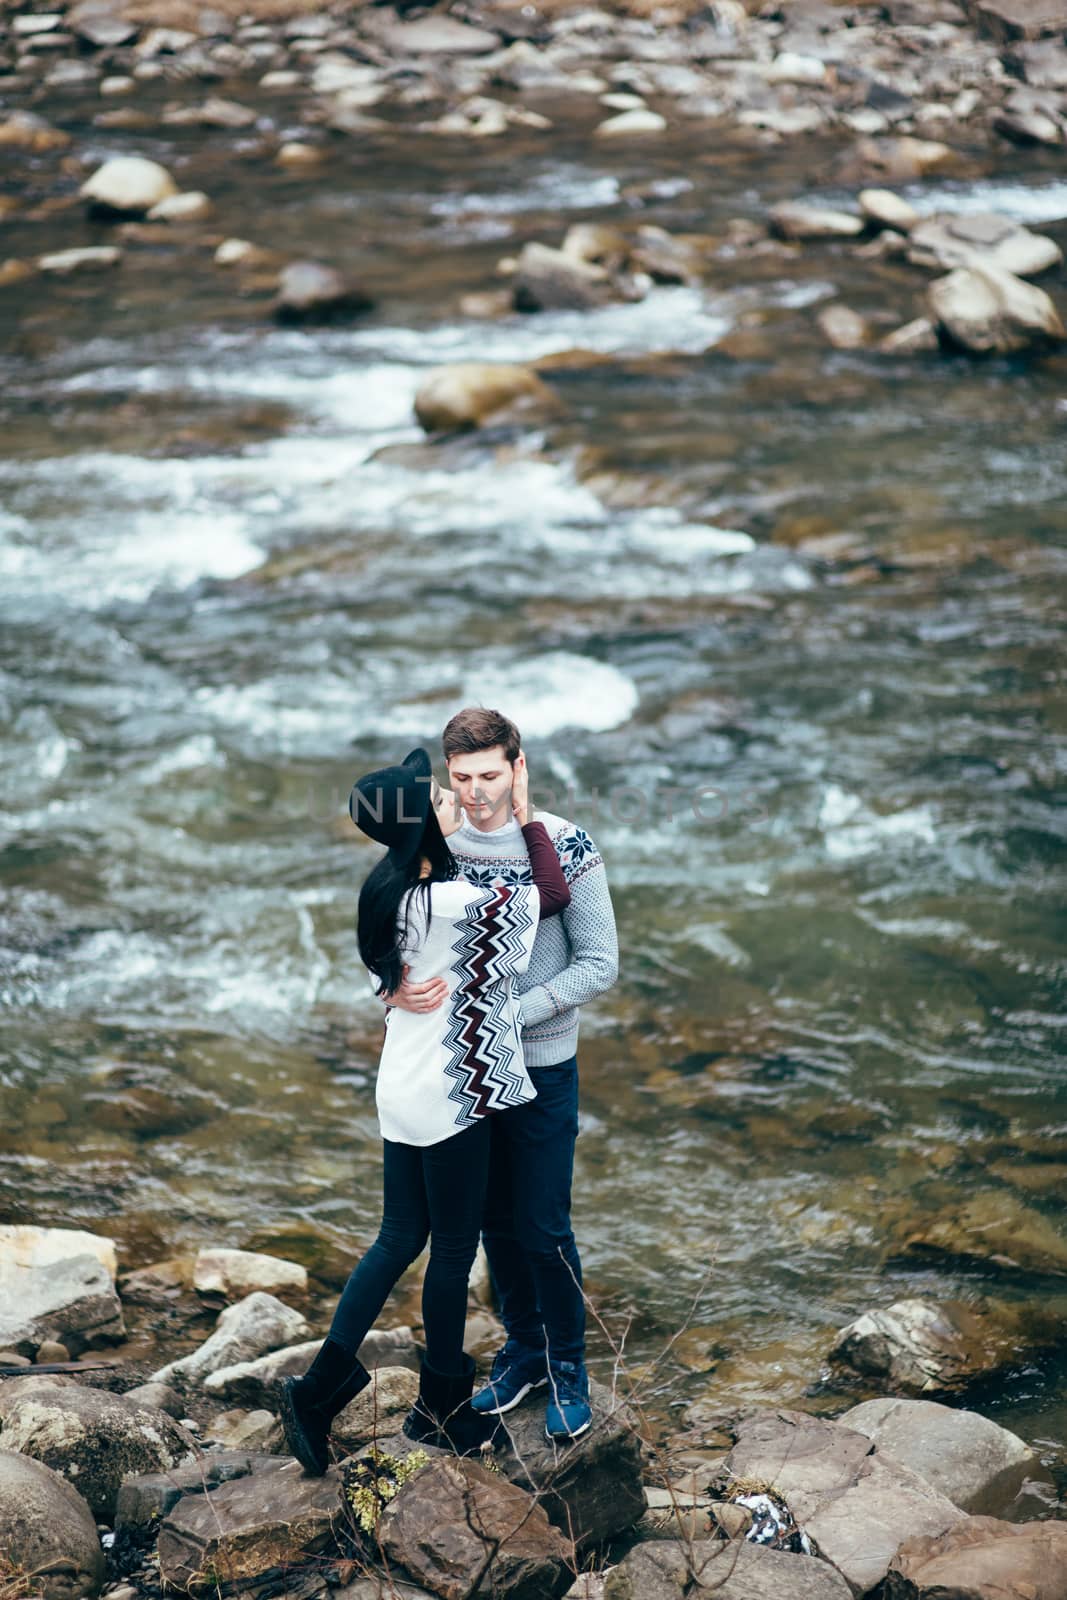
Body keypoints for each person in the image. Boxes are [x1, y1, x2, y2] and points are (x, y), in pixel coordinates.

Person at [280, 744, 571, 1477]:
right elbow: (550, 895)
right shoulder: (457, 902)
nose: (449, 793)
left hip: (399, 1084)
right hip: (451, 1091)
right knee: (450, 1248)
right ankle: (443, 1405)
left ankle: (320, 1387)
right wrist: (528, 815)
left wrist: (388, 987)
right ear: (422, 826)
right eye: (437, 794)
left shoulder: (387, 889)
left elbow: (388, 968)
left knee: (395, 1237)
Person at [384, 708, 619, 1443]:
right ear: (446, 779)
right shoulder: (439, 847)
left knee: (544, 1226)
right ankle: (522, 1351)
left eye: (490, 774)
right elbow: (396, 927)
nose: (478, 791)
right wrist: (389, 984)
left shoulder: (567, 844)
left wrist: (512, 1011)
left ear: (518, 768)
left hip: (543, 1066)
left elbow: (599, 963)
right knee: (490, 1222)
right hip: (464, 1075)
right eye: (462, 778)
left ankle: (568, 1365)